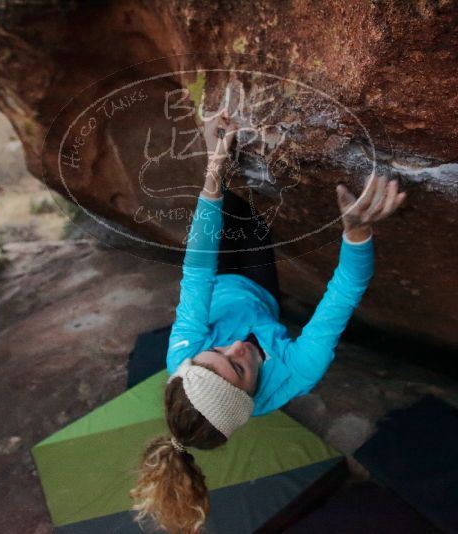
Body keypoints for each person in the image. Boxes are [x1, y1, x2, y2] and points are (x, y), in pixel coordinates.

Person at [130, 109, 407, 533]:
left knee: (228, 201)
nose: (237, 346)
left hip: (219, 277)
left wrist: (212, 173)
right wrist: (356, 234)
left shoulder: (184, 355)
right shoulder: (297, 374)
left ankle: (223, 154)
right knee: (254, 225)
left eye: (218, 351)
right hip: (259, 291)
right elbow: (342, 295)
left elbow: (199, 270)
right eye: (239, 366)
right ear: (250, 396)